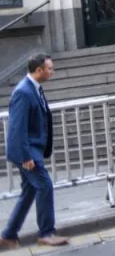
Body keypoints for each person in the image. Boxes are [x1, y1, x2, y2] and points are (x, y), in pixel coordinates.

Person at [1, 54, 68, 249]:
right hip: (28, 152)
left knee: (30, 191)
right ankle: (46, 233)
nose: (52, 72)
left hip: (32, 149)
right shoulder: (24, 92)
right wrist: (26, 156)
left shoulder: (33, 89)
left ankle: (9, 234)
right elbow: (17, 127)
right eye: (49, 69)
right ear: (39, 70)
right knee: (45, 185)